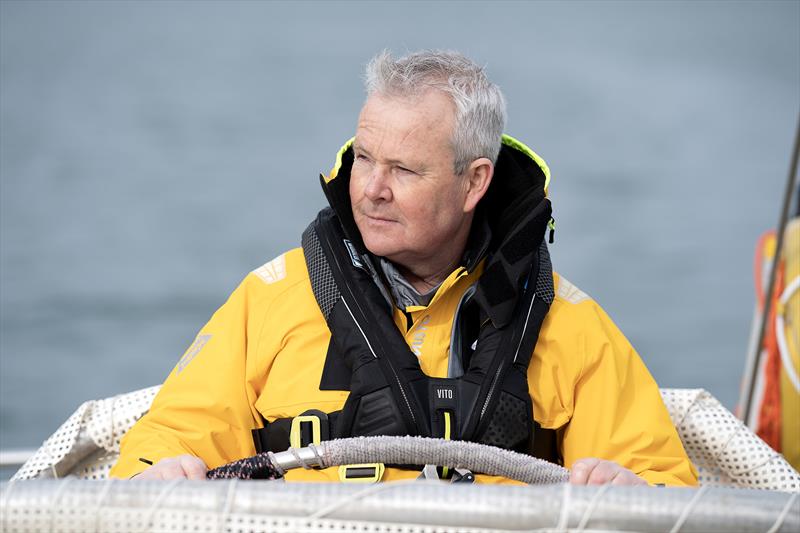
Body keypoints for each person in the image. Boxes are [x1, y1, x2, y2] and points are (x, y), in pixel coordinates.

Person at [110, 50, 698, 487]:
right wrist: (158, 473)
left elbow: (669, 494)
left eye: (404, 170)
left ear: (474, 183)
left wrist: (634, 493)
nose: (371, 190)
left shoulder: (574, 328)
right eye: (364, 158)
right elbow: (164, 443)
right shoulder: (269, 300)